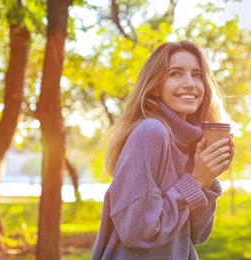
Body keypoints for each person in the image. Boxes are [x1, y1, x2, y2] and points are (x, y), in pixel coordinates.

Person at [92, 40, 235, 260]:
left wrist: (206, 178)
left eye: (197, 75)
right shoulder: (151, 132)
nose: (190, 84)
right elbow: (137, 230)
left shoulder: (191, 145)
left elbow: (196, 235)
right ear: (156, 87)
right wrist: (196, 181)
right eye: (176, 73)